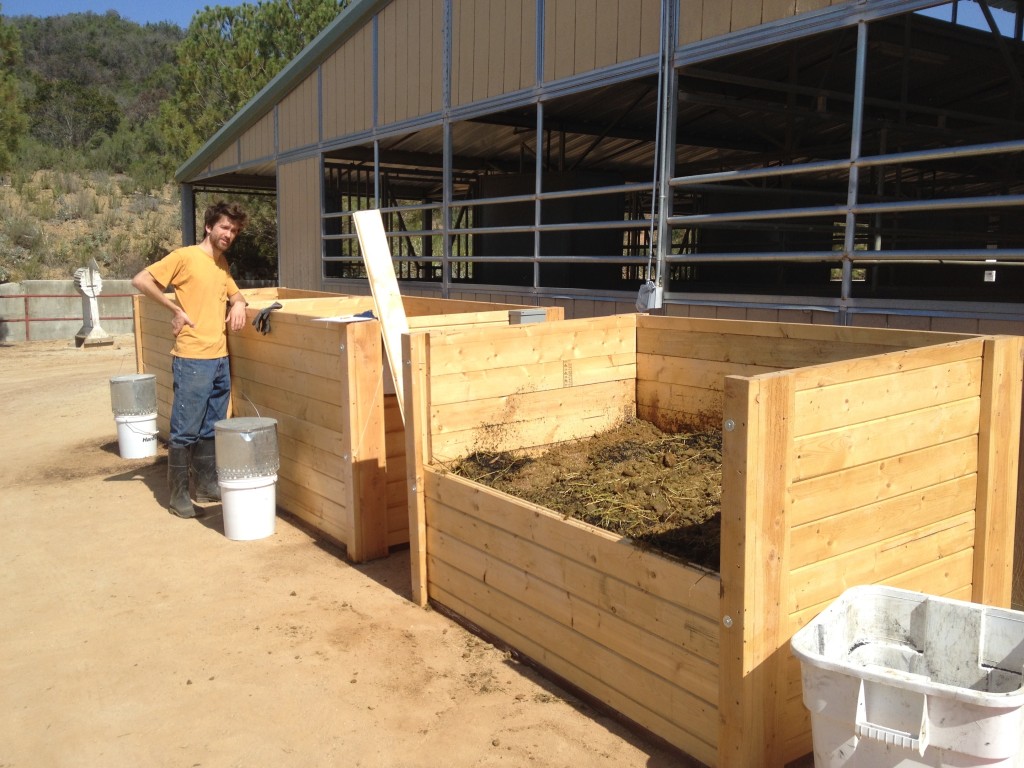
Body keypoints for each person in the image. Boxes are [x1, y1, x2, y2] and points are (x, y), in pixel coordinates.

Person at [132, 201, 249, 519]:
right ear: (210, 226)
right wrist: (175, 310)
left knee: (211, 426)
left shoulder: (221, 264)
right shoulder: (185, 257)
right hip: (193, 358)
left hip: (220, 358)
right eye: (225, 227)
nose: (229, 234)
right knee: (185, 429)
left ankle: (207, 486)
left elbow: (235, 293)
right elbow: (142, 279)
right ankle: (178, 496)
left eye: (235, 231)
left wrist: (238, 303)